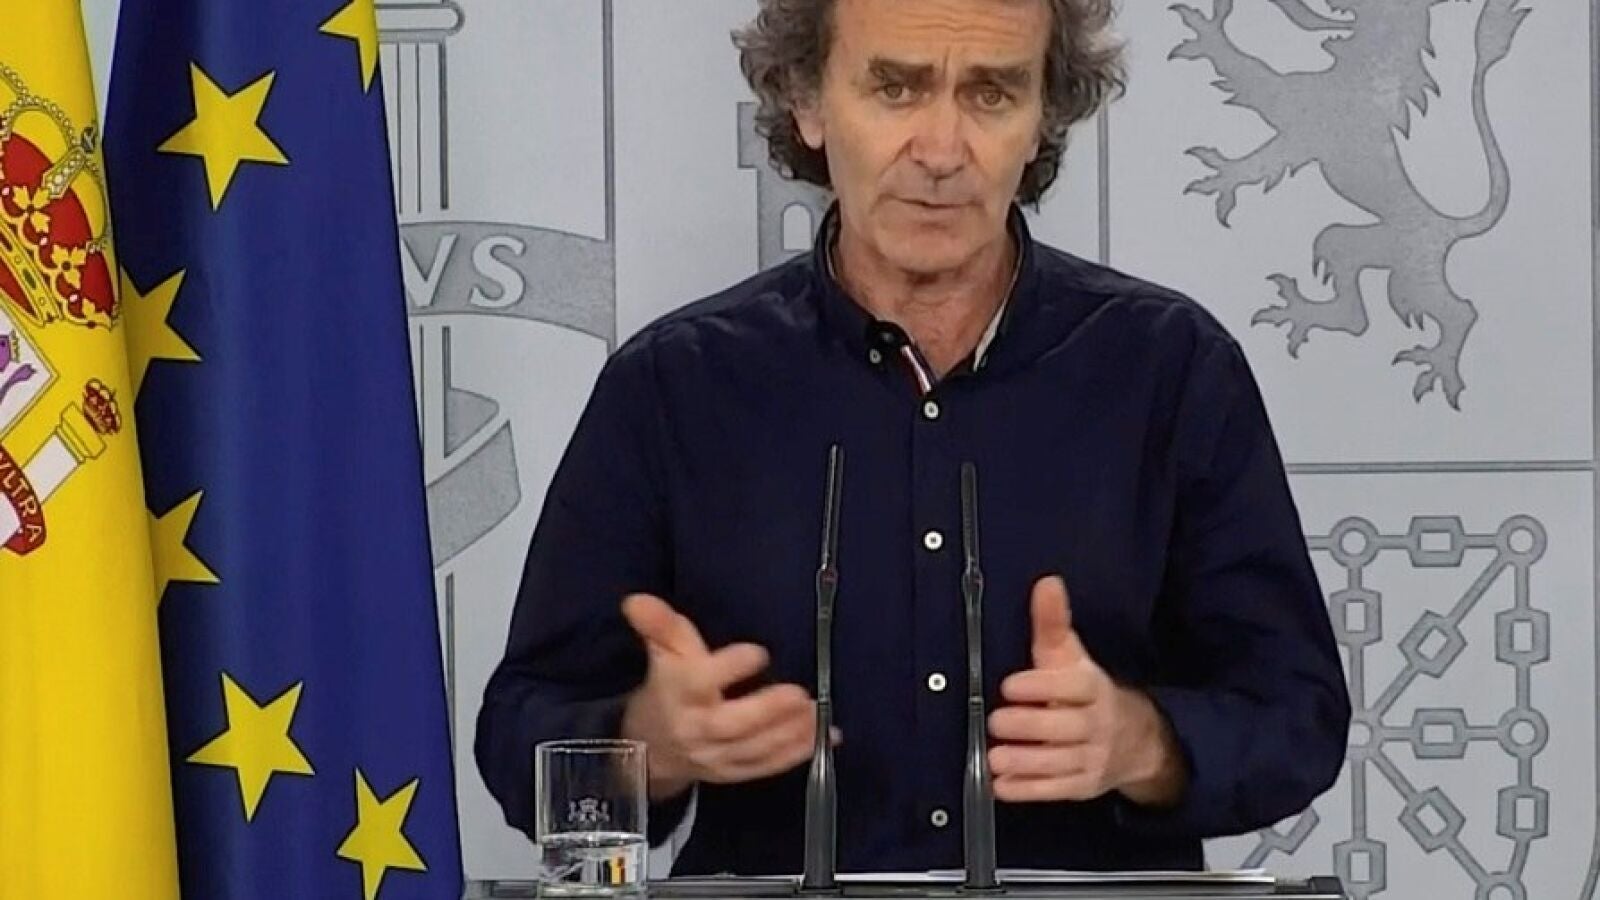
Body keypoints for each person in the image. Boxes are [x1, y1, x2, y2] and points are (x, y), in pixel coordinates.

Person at [477, 0, 1351, 875]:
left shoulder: (1171, 370)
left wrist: (1145, 745)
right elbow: (520, 741)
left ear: (1042, 118)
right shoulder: (674, 385)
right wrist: (651, 745)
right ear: (808, 102)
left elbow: (1299, 718)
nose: (940, 151)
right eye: (895, 89)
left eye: (991, 94)